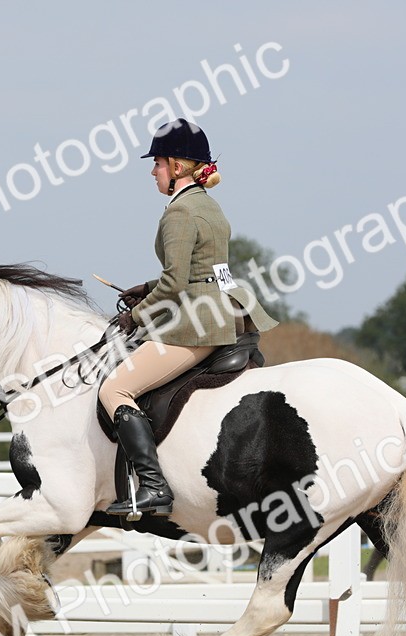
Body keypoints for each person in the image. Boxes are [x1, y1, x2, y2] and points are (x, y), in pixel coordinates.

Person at [98, 118, 277, 517]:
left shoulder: (178, 213)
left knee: (114, 391)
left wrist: (137, 317)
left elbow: (176, 283)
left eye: (158, 163)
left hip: (197, 324)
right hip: (227, 309)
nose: (153, 171)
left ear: (178, 167)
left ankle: (153, 487)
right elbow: (202, 269)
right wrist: (146, 287)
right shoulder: (209, 207)